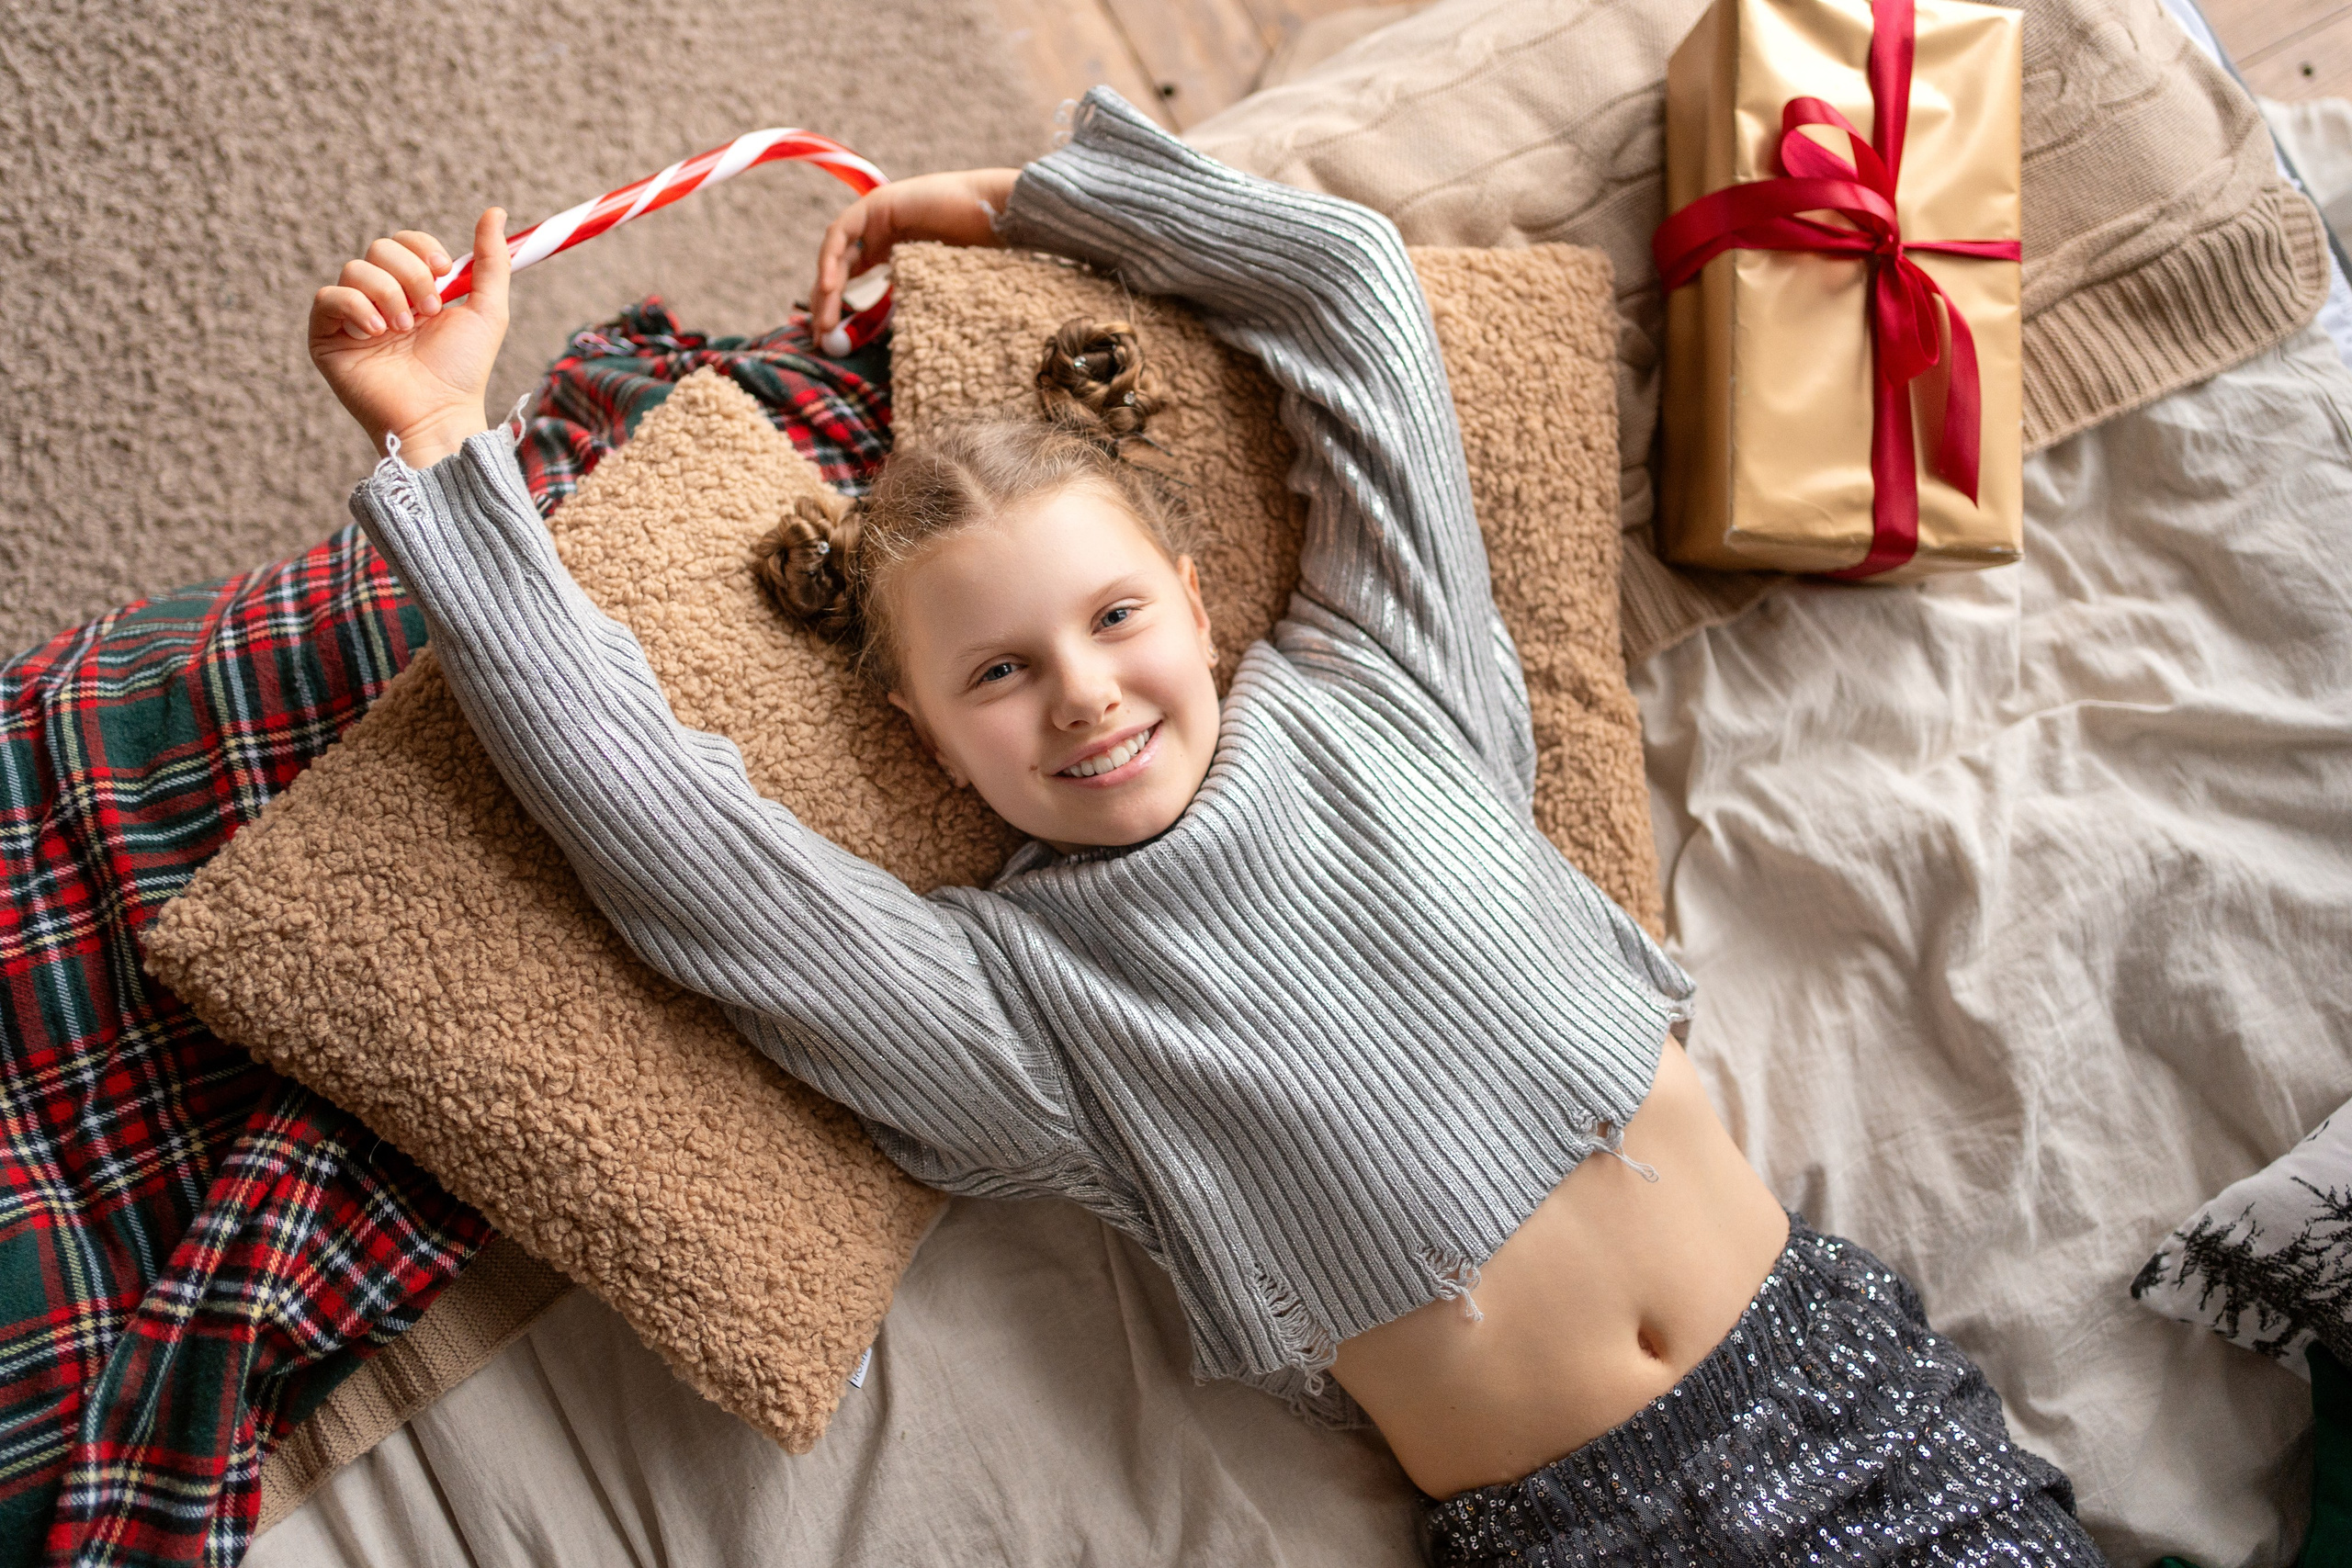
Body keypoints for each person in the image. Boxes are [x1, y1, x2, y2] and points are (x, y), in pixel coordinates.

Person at [309, 88, 2101, 1565]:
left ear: (1189, 591)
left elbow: (1350, 302)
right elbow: (676, 844)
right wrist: (444, 448)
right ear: (920, 737)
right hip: (1596, 1530)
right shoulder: (1018, 1010)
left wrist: (1022, 200)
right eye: (995, 673)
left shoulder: (1386, 690)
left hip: (1848, 1385)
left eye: (1109, 618)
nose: (1081, 694)